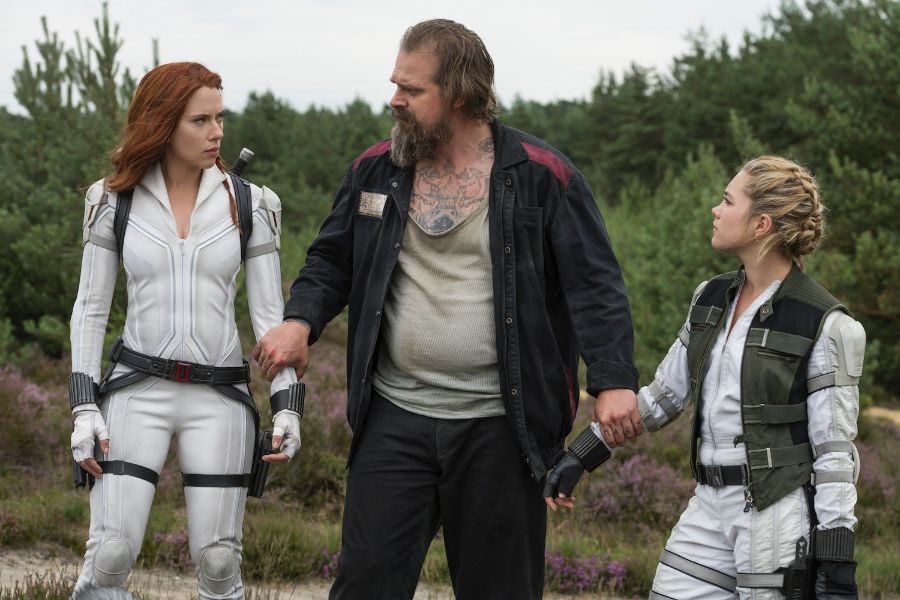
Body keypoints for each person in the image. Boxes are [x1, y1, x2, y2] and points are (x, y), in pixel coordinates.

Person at [253, 18, 640, 599]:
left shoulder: (543, 176)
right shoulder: (375, 169)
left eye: (412, 89)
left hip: (503, 429)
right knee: (364, 587)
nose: (395, 99)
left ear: (459, 93)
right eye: (395, 84)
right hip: (393, 418)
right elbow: (331, 260)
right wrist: (299, 321)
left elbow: (596, 284)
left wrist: (613, 381)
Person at [546, 155, 864, 599]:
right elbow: (662, 398)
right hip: (708, 503)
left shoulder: (827, 323)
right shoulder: (710, 298)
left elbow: (834, 452)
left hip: (774, 511)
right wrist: (582, 454)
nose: (715, 209)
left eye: (728, 201)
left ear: (761, 225)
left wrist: (836, 558)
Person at [68, 62, 303, 600]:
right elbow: (90, 310)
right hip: (135, 391)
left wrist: (288, 405)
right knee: (109, 554)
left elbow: (271, 319)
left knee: (219, 562)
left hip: (219, 398)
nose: (217, 132)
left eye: (220, 118)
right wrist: (83, 407)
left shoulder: (252, 204)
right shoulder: (112, 200)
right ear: (163, 123)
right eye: (200, 120)